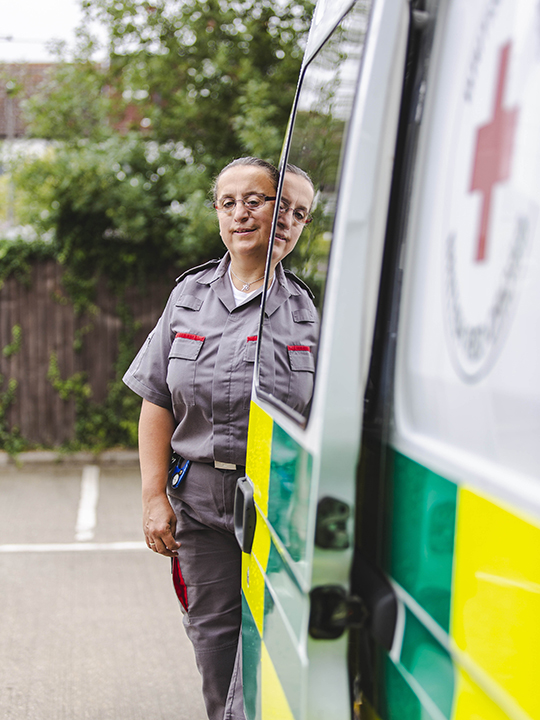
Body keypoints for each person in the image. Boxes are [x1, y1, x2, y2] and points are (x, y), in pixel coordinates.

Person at [122, 157, 317, 720]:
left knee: (266, 649)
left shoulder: (307, 313)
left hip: (277, 507)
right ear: (217, 213)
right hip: (200, 504)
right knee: (212, 643)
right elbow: (156, 397)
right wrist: (153, 496)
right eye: (230, 202)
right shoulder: (187, 297)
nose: (245, 214)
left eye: (282, 208)